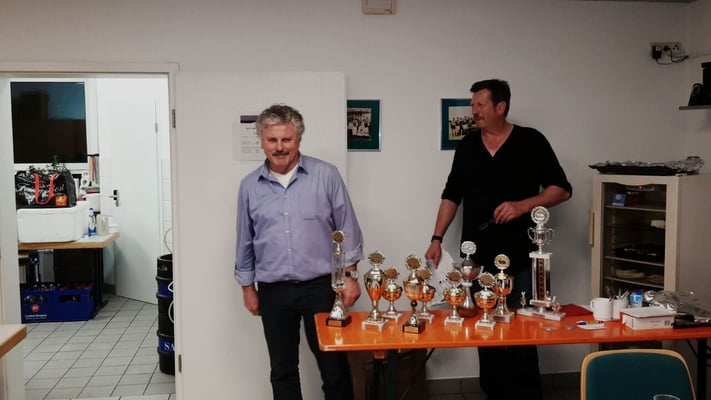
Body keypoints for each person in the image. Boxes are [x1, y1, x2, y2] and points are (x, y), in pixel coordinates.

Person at [424, 79, 572, 400]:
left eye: (480, 105)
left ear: (500, 107)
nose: (474, 111)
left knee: (522, 336)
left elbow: (561, 190)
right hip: (477, 262)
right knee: (485, 334)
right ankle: (493, 394)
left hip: (522, 260)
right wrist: (436, 238)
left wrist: (522, 205)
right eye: (472, 106)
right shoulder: (467, 146)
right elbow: (451, 195)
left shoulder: (531, 141)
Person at [234, 104, 363, 400]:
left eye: (286, 139)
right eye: (272, 140)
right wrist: (247, 288)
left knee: (334, 368)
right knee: (282, 371)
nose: (279, 147)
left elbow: (346, 227)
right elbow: (245, 240)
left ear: (299, 139)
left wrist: (351, 276)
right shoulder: (249, 186)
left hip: (322, 288)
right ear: (262, 141)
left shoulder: (326, 175)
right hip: (273, 291)